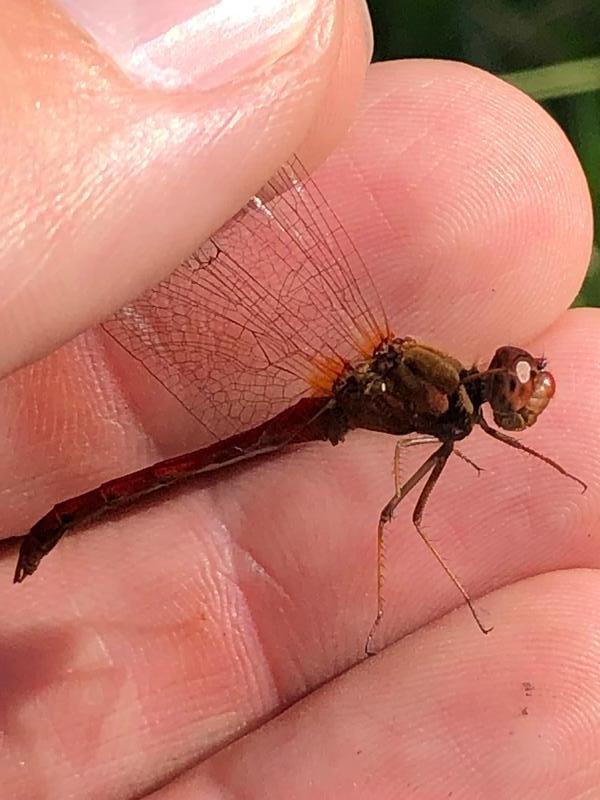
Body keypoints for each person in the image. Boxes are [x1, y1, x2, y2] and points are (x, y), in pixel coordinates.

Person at [0, 1, 597, 797]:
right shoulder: (447, 399)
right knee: (395, 515)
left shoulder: (451, 403)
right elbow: (404, 511)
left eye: (516, 392)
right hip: (300, 407)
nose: (511, 398)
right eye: (513, 388)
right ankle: (61, 521)